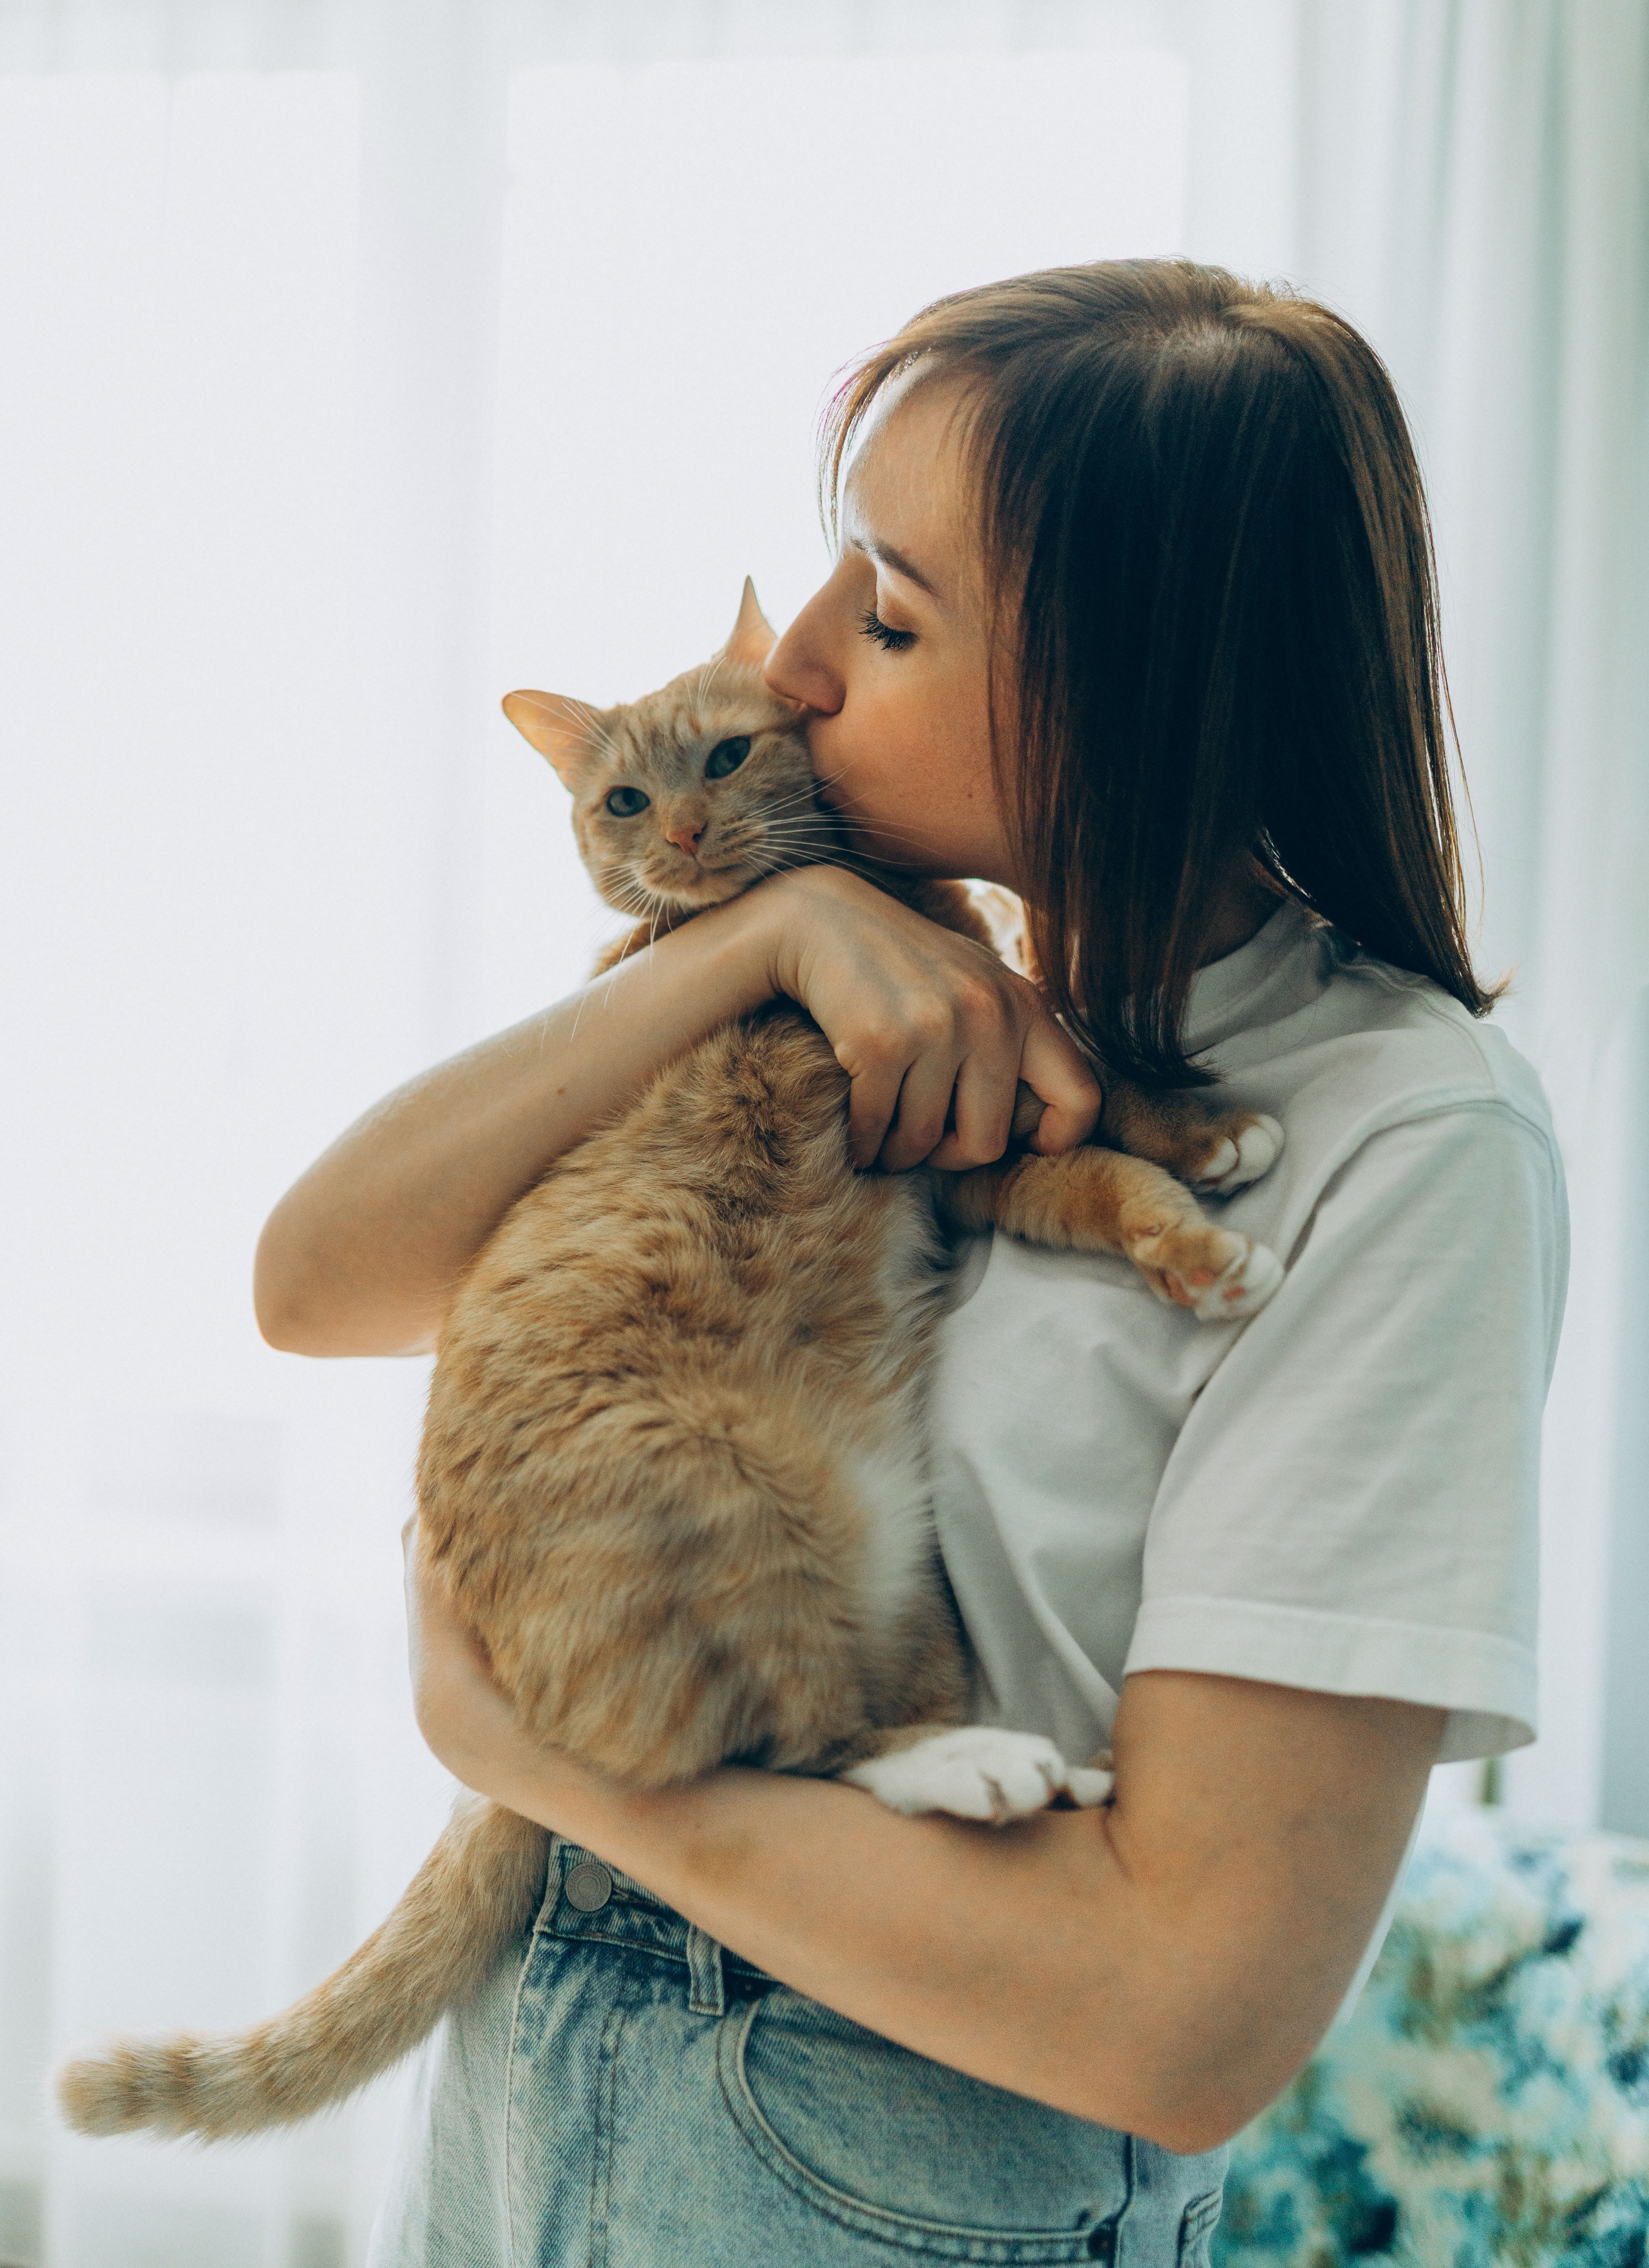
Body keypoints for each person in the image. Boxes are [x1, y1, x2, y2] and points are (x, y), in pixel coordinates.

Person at [255, 261, 1567, 2266]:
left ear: (1137, 676)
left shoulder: (1407, 1142)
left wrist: (529, 1757)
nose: (787, 669)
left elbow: (1187, 2017)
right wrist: (758, 945)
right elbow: (314, 1285)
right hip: (547, 2057)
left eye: (882, 611)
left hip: (877, 2137)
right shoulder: (921, 1003)